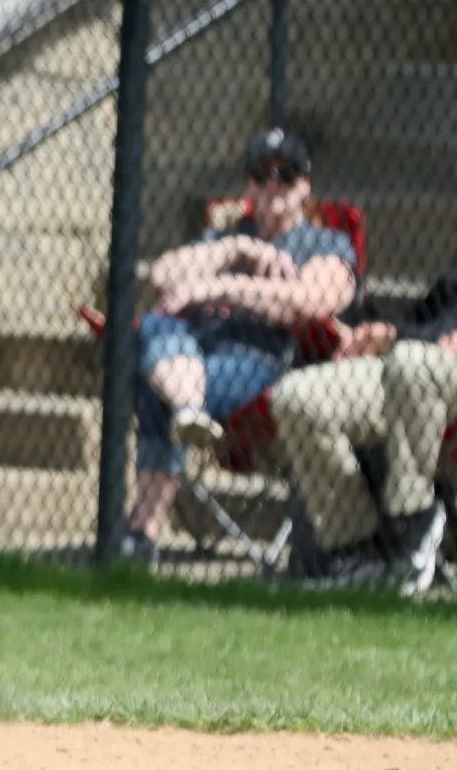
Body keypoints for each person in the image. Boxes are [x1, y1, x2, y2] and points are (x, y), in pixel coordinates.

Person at [119, 128, 358, 564]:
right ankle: (188, 409)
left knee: (158, 384)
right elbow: (162, 276)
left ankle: (140, 531)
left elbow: (311, 300)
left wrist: (219, 286)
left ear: (305, 185)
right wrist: (236, 247)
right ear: (247, 184)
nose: (272, 186)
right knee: (155, 325)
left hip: (259, 365)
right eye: (260, 175)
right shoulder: (226, 239)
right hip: (189, 350)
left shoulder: (325, 243)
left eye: (285, 175)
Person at [270, 259, 457, 594]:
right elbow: (432, 318)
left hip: (427, 366)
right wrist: (380, 335)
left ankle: (412, 522)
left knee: (412, 362)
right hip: (415, 361)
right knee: (297, 397)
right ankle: (355, 554)